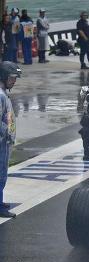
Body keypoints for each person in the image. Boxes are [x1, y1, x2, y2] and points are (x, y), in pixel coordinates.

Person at [0, 61, 21, 218]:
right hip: (1, 142)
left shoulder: (3, 93)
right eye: (12, 77)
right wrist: (6, 132)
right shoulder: (0, 96)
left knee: (3, 173)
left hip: (4, 141)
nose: (14, 81)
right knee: (0, 174)